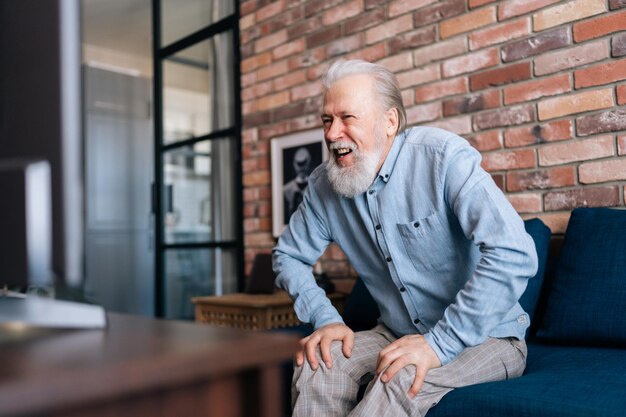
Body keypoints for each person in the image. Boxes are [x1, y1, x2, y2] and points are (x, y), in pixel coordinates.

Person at [272, 59, 538, 417]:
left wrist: (439, 344)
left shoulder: (442, 158)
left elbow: (514, 252)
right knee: (320, 362)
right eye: (327, 120)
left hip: (488, 336)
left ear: (390, 122)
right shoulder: (324, 187)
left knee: (401, 376)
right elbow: (288, 256)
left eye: (348, 118)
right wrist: (326, 319)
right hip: (396, 332)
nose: (333, 133)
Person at [283, 146, 312, 220]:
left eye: (304, 163)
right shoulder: (286, 189)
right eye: (299, 164)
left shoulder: (315, 187)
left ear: (308, 162)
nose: (301, 168)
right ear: (294, 164)